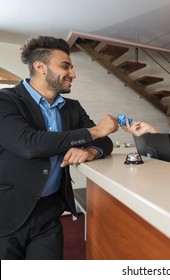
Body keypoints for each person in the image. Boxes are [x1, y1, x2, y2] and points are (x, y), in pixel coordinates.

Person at [0, 36, 118, 259]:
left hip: (49, 214)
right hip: (7, 213)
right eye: (65, 66)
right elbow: (28, 144)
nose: (73, 74)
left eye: (72, 67)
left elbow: (105, 142)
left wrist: (90, 150)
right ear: (40, 67)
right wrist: (93, 132)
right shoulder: (6, 100)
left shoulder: (72, 108)